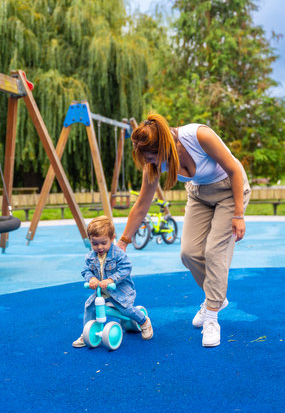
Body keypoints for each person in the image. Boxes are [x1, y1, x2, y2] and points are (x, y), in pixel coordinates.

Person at [117, 113, 251, 347]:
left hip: (230, 192)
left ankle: (211, 317)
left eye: (152, 157)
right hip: (199, 194)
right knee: (188, 253)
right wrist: (123, 242)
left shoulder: (199, 136)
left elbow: (234, 171)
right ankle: (217, 298)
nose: (150, 163)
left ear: (165, 147)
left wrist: (239, 215)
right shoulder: (153, 162)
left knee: (214, 252)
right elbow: (141, 204)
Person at [73, 216, 153, 347]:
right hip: (102, 293)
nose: (99, 247)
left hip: (119, 291)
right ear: (90, 241)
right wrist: (91, 278)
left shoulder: (118, 254)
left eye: (103, 243)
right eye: (95, 243)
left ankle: (144, 321)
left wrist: (111, 279)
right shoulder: (90, 257)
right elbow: (86, 270)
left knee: (126, 310)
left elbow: (126, 267)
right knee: (90, 307)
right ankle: (87, 332)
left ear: (112, 238)